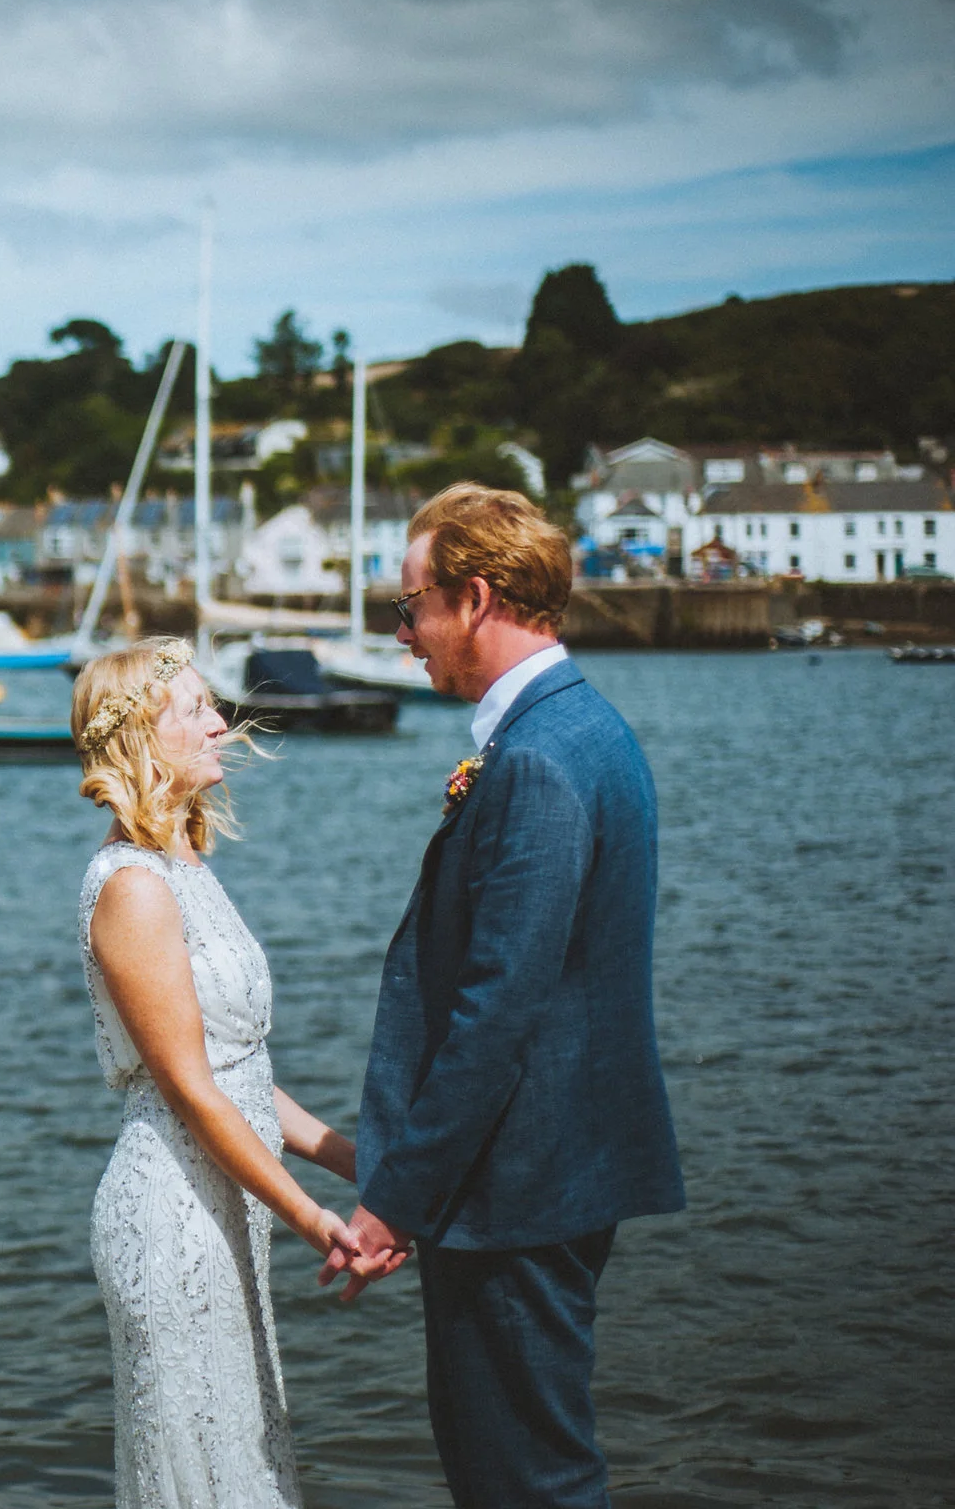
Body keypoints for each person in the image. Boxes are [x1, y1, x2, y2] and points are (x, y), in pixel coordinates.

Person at [337, 483, 685, 1508]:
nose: (402, 636)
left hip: (517, 1189)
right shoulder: (585, 727)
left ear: (474, 597)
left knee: (522, 1478)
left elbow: (499, 1006)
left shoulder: (534, 759)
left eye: (409, 609)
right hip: (560, 1165)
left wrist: (395, 1198)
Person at [72, 637, 396, 1508]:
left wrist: (364, 1161)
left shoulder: (187, 869)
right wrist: (312, 1218)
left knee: (247, 1463)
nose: (222, 725)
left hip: (226, 1209)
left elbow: (241, 1073)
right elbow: (188, 1086)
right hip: (174, 1215)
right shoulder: (134, 888)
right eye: (197, 711)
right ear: (143, 740)